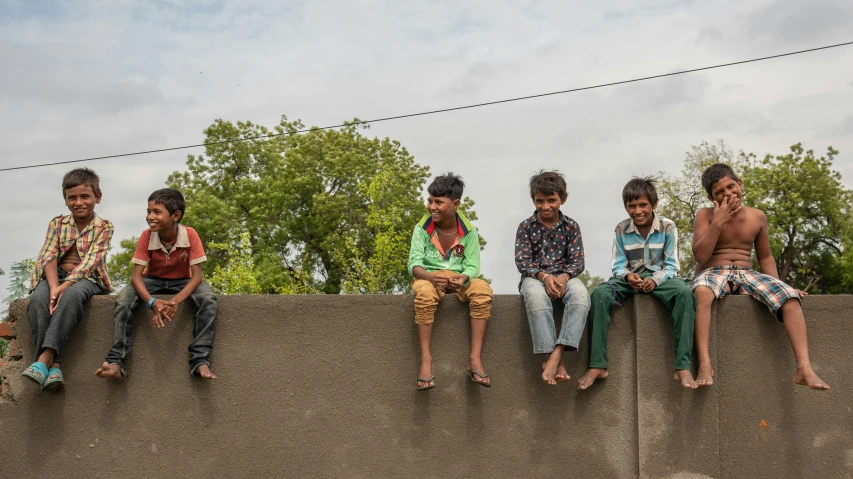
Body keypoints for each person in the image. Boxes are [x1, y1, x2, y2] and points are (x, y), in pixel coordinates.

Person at [691, 163, 828, 390]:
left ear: (740, 184)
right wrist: (718, 221)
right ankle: (705, 363)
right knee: (702, 294)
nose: (728, 194)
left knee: (790, 298)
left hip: (747, 273)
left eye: (731, 187)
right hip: (712, 271)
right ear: (711, 197)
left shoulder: (757, 216)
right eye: (719, 192)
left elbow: (765, 257)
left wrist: (781, 286)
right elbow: (700, 255)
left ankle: (804, 368)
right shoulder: (705, 215)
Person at [578, 177, 697, 390]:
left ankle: (682, 366)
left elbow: (672, 266)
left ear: (654, 204)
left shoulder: (668, 227)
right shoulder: (621, 229)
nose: (637, 211)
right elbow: (618, 265)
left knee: (685, 294)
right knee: (600, 294)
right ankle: (598, 364)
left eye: (643, 205)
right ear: (625, 207)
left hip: (661, 280)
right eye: (631, 206)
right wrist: (627, 277)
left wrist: (654, 279)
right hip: (629, 281)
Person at [95, 188, 218, 380]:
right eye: (148, 211)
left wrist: (175, 302)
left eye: (157, 212)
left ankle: (200, 360)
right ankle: (115, 361)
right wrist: (152, 302)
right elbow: (136, 278)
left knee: (208, 299)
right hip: (152, 279)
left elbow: (196, 278)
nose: (150, 216)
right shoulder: (147, 235)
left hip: (183, 280)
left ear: (176, 215)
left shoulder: (190, 235)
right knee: (123, 301)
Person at [21, 168, 114, 391]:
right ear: (65, 199)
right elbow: (48, 255)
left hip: (88, 279)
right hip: (56, 277)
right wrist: (54, 287)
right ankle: (55, 367)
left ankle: (44, 358)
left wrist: (64, 287)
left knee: (71, 296)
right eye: (72, 197)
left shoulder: (104, 227)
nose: (78, 202)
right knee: (38, 301)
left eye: (85, 197)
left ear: (97, 197)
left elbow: (91, 261)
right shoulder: (57, 224)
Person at [407, 173, 493, 390]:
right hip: (428, 279)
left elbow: (472, 265)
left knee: (483, 290)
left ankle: (475, 358)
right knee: (424, 295)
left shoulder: (468, 231)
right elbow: (414, 265)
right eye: (430, 201)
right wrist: (429, 276)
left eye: (438, 202)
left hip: (458, 280)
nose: (432, 207)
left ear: (455, 204)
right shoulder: (422, 229)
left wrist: (464, 278)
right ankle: (426, 360)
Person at [515, 170, 590, 385]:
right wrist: (544, 276)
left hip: (566, 276)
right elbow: (523, 261)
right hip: (535, 277)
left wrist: (564, 277)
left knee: (581, 296)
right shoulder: (525, 227)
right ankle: (549, 357)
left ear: (562, 200)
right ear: (533, 200)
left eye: (551, 200)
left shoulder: (571, 227)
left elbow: (578, 262)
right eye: (540, 201)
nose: (545, 206)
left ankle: (557, 353)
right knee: (536, 297)